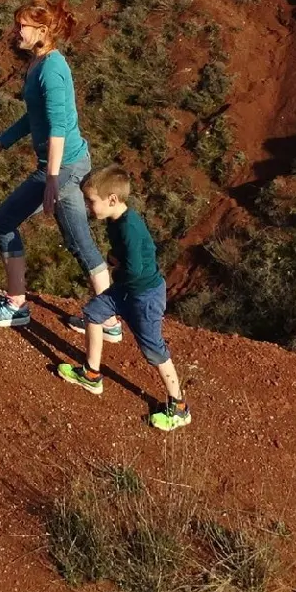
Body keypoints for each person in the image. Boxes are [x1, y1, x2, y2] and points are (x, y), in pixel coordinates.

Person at [0, 0, 117, 331]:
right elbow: (35, 116)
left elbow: (58, 129)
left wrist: (51, 178)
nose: (15, 31)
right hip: (69, 164)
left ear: (42, 31)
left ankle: (15, 305)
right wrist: (2, 141)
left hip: (63, 166)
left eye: (20, 26)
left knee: (4, 220)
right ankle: (108, 319)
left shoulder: (52, 70)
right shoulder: (40, 64)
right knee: (79, 241)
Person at [55, 166, 189, 431]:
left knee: (153, 349)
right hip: (126, 290)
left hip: (144, 295)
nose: (89, 206)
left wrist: (115, 267)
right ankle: (91, 375)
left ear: (112, 199)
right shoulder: (114, 222)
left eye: (92, 201)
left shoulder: (128, 227)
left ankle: (180, 408)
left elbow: (136, 269)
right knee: (92, 314)